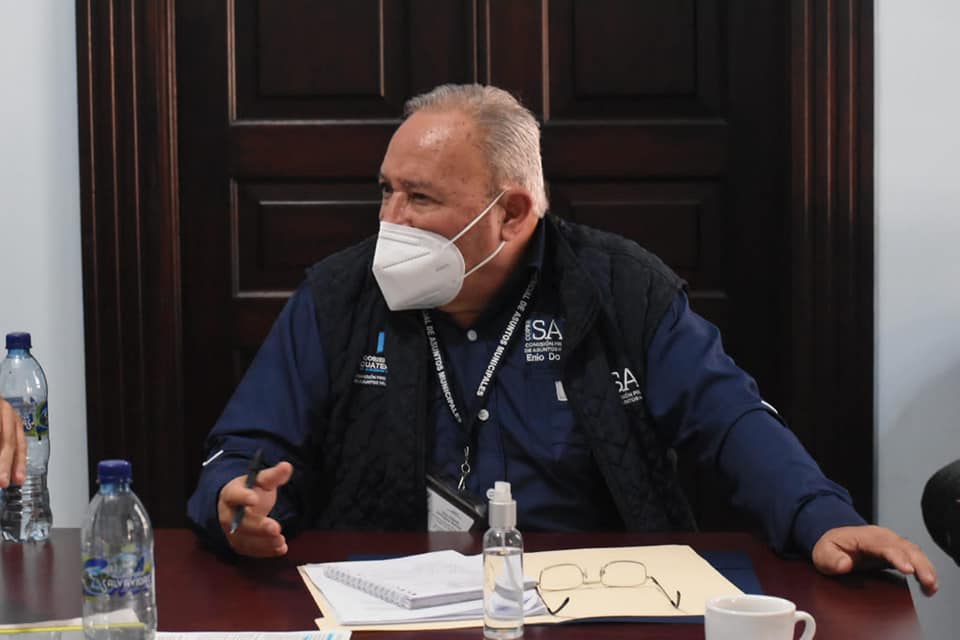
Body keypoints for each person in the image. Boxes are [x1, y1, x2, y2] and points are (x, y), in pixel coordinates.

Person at [17, 83, 941, 593]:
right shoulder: (340, 294)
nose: (390, 219)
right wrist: (236, 504)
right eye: (385, 190)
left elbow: (729, 418)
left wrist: (823, 517)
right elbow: (246, 449)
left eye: (421, 198)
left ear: (513, 213)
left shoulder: (618, 287)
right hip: (385, 599)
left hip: (590, 600)